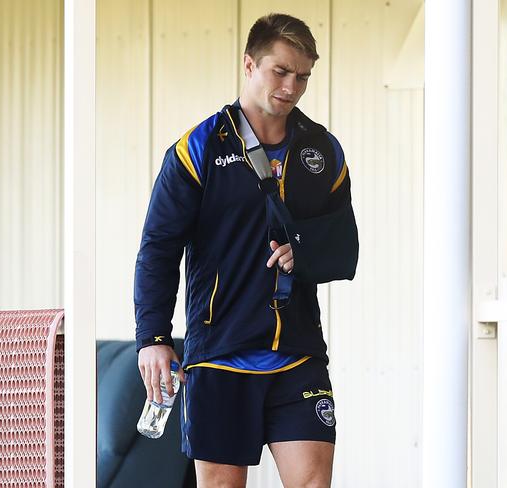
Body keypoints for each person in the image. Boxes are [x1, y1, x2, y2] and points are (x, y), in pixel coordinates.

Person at [134, 13, 358, 488]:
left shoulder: (325, 152)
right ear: (249, 65)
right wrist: (153, 336)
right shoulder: (196, 149)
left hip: (298, 354)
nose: (292, 87)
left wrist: (306, 249)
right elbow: (158, 247)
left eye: (303, 76)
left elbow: (345, 246)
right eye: (281, 71)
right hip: (220, 353)